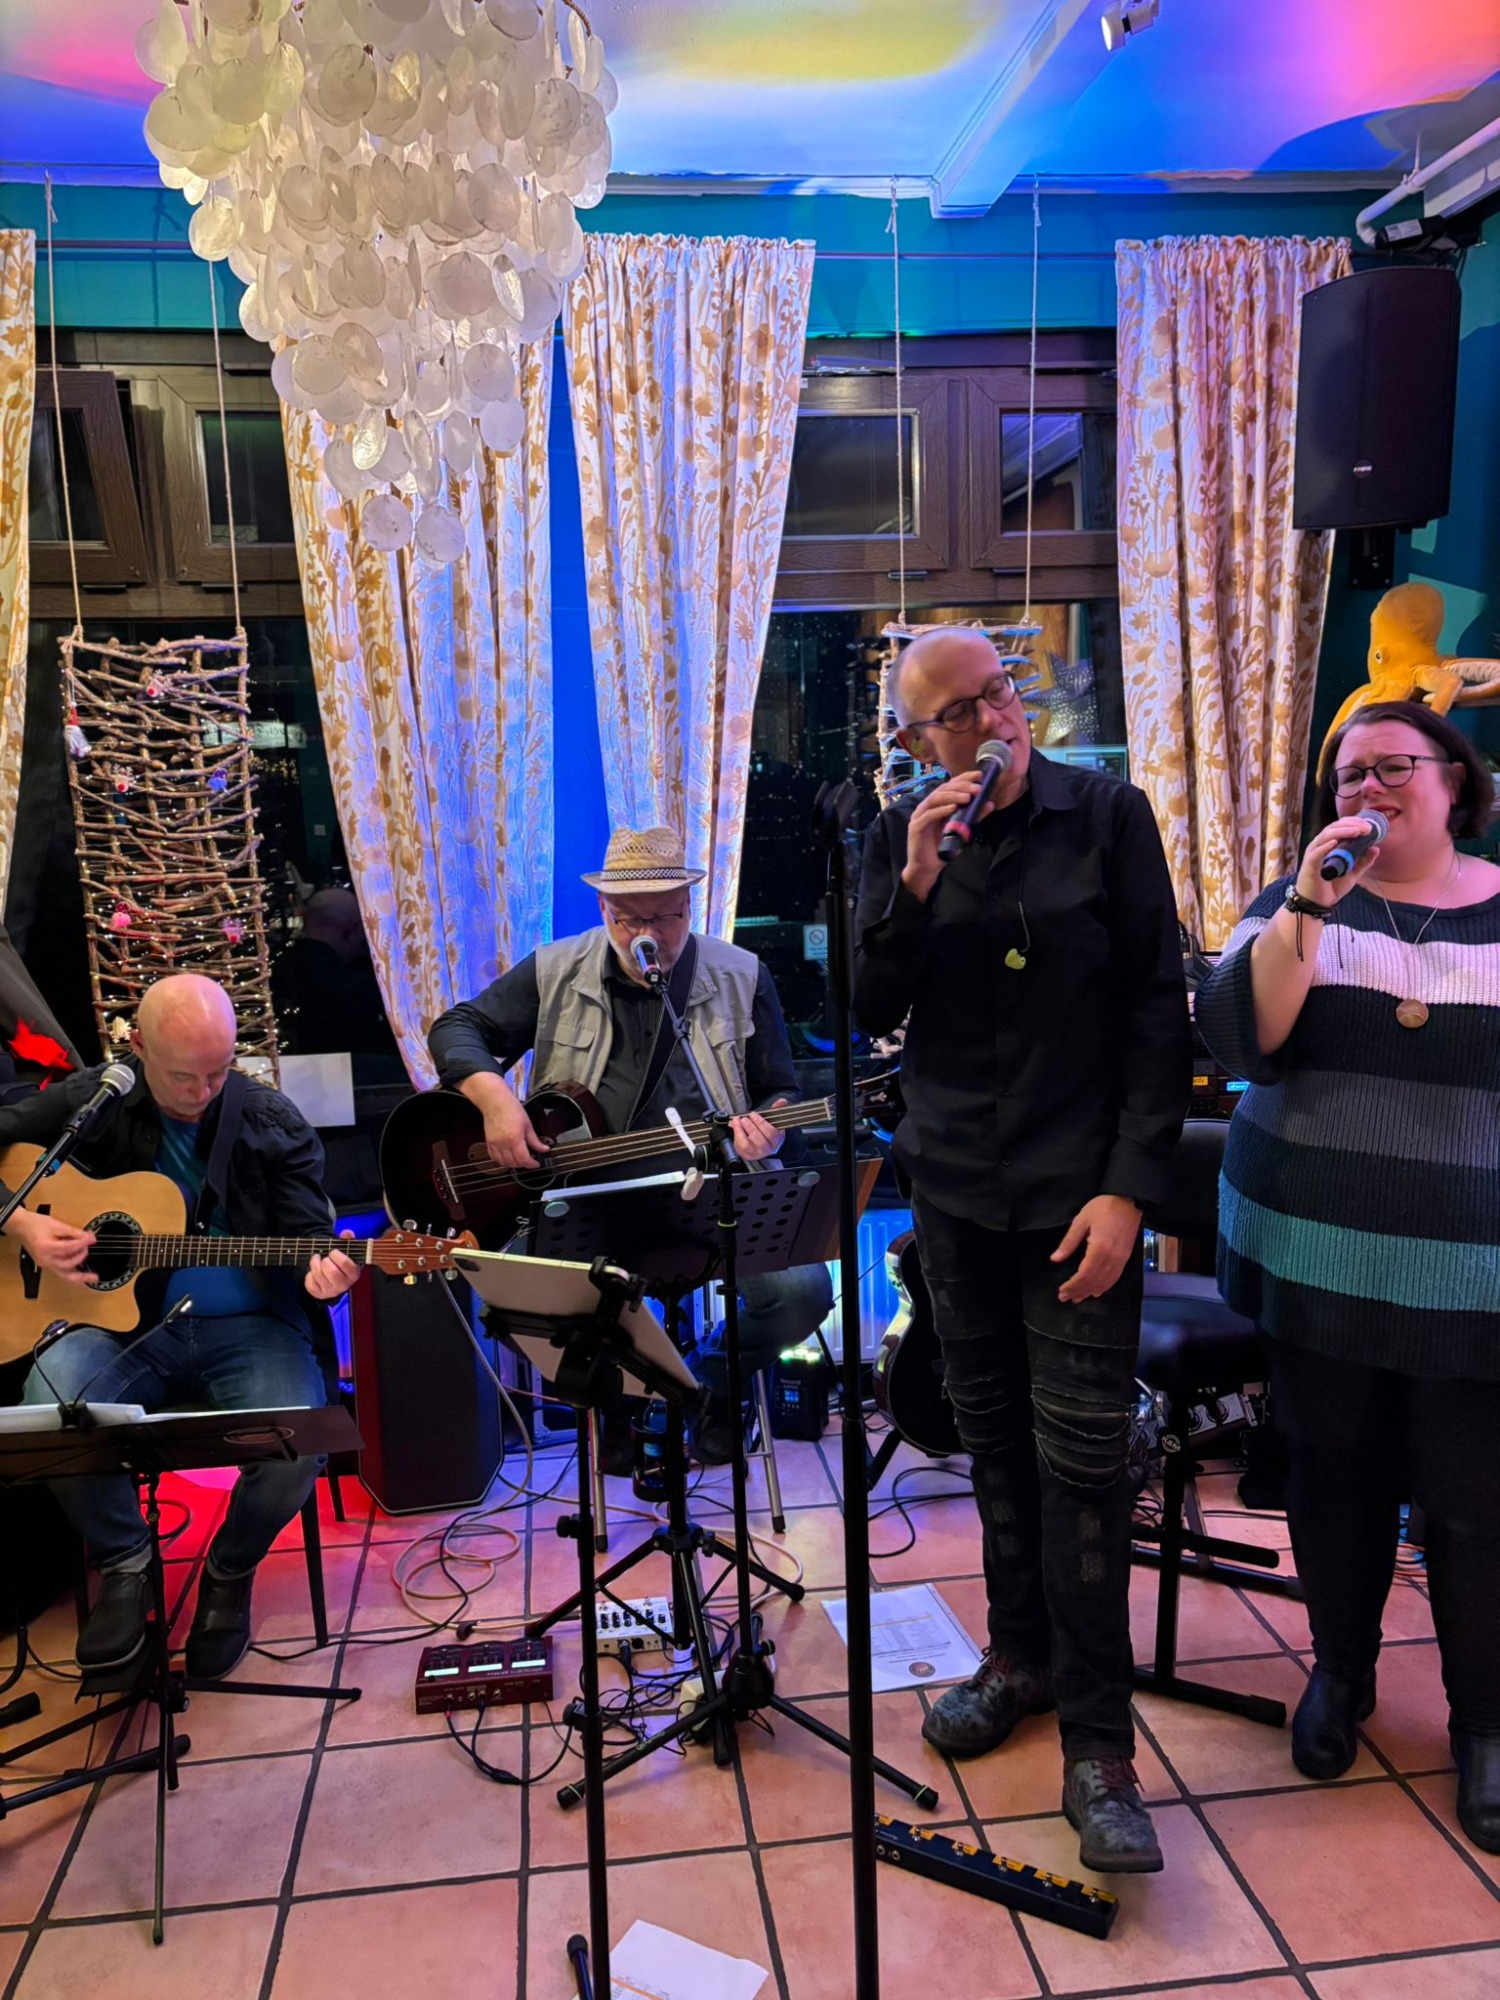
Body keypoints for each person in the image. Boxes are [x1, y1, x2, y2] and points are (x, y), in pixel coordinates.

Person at [854, 629, 1190, 1874]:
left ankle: (1100, 1748)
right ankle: (1018, 1657)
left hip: (1077, 1202)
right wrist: (914, 880)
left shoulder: (1107, 816)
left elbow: (1157, 1012)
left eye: (1001, 691)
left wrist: (1130, 1190)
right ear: (916, 739)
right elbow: (869, 1010)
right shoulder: (902, 837)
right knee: (990, 1442)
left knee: (1085, 1468)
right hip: (954, 1196)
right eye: (961, 709)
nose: (996, 718)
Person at [1195, 699, 1500, 1852]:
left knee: (1476, 1504)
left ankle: (1486, 1724)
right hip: (1317, 1257)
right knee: (1335, 1480)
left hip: (1477, 1276)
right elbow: (1237, 1038)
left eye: (1391, 766)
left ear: (1455, 779)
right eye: (1347, 772)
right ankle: (1341, 1672)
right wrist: (1312, 906)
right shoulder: (1296, 901)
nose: (1365, 788)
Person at [427, 825, 833, 1467]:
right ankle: (623, 1399)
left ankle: (706, 1385)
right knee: (513, 1295)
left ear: (688, 908)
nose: (647, 933)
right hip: (588, 1198)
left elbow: (778, 1089)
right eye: (627, 918)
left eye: (664, 917)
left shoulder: (741, 973)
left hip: (713, 1191)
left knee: (803, 1292)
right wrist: (496, 1101)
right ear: (603, 909)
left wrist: (774, 1124)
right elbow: (457, 1028)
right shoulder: (555, 969)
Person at [2, 975, 359, 1677]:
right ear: (137, 1048)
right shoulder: (96, 1098)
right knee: (47, 1409)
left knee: (300, 1445)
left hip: (250, 1327)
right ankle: (126, 1564)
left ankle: (229, 1571)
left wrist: (325, 1275)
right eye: (182, 1076)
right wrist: (25, 1226)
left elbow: (310, 1237)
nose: (203, 1092)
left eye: (219, 1072)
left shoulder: (270, 1120)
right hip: (118, 1330)